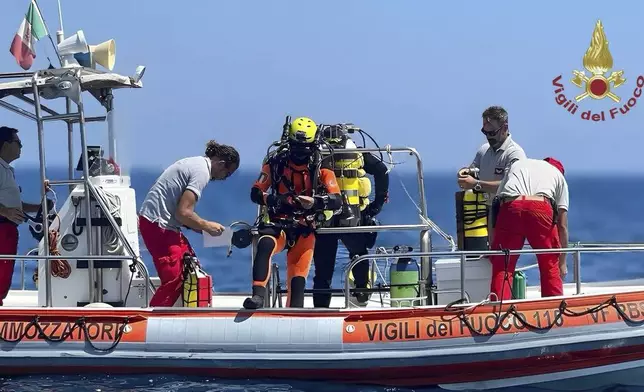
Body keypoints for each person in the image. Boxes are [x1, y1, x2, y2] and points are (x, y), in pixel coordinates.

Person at [245, 117, 342, 310]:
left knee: (298, 280)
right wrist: (273, 200)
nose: (300, 152)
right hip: (278, 223)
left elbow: (337, 199)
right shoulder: (275, 163)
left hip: (304, 227)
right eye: (296, 146)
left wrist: (315, 202)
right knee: (264, 245)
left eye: (304, 147)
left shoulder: (321, 167)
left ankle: (294, 312)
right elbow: (256, 191)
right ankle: (257, 297)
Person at [138, 140, 240, 307]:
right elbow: (184, 213)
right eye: (227, 174)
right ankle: (153, 319)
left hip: (162, 223)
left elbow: (181, 214)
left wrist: (203, 229)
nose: (224, 179)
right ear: (221, 164)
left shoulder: (197, 163)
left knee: (191, 266)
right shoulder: (202, 173)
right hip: (158, 225)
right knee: (175, 280)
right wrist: (206, 225)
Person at [312, 123, 389, 307]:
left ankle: (321, 307)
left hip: (325, 217)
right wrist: (376, 204)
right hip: (353, 214)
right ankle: (362, 293)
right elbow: (381, 171)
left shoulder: (316, 155)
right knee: (359, 255)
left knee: (323, 269)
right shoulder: (358, 154)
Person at [488, 157, 569, 301]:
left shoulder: (518, 164)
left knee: (503, 266)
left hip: (511, 205)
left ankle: (498, 313)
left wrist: (493, 245)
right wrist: (562, 262)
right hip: (540, 207)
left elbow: (496, 205)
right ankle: (553, 310)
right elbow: (562, 225)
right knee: (549, 264)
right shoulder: (558, 177)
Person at [457, 106, 527, 241]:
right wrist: (464, 174)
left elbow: (511, 187)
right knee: (491, 253)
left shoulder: (515, 154)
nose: (488, 137)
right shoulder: (483, 151)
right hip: (487, 210)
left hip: (508, 213)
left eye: (492, 132)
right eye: (485, 132)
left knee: (504, 254)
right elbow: (472, 171)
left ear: (505, 128)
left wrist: (476, 184)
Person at [0, 126, 48, 306]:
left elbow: (14, 205)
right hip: (2, 228)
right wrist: (5, 212)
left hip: (8, 229)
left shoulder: (6, 170)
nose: (21, 146)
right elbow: (7, 208)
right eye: (18, 143)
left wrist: (38, 207)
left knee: (4, 272)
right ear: (5, 145)